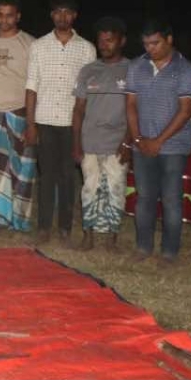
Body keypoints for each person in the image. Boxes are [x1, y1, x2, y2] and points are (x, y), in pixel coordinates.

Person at [125, 18, 191, 266]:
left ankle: (169, 252)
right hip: (142, 143)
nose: (150, 49)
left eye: (155, 43)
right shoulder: (136, 66)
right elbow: (130, 105)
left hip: (174, 146)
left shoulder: (186, 69)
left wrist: (158, 141)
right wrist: (138, 138)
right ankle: (143, 247)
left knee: (171, 200)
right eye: (146, 44)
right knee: (144, 197)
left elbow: (185, 111)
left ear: (169, 39)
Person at [25, 0, 96, 245]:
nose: (62, 16)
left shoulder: (86, 48)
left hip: (71, 123)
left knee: (68, 177)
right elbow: (31, 87)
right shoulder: (38, 46)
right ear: (51, 15)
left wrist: (84, 127)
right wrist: (30, 124)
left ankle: (65, 227)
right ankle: (44, 227)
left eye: (67, 12)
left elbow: (89, 92)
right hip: (44, 119)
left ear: (74, 16)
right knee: (46, 176)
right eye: (57, 11)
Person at [0, 0, 37, 233]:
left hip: (20, 113)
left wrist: (33, 122)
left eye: (9, 15)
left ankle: (19, 219)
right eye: (0, 15)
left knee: (22, 169)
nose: (4, 20)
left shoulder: (30, 44)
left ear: (18, 16)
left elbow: (36, 85)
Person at [73, 17, 132, 251]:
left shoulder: (132, 70)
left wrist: (128, 143)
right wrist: (76, 143)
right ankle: (87, 235)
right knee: (89, 188)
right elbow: (78, 110)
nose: (104, 45)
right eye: (101, 40)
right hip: (90, 141)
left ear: (122, 41)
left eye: (110, 40)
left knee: (116, 189)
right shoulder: (88, 71)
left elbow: (135, 111)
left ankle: (112, 238)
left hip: (117, 143)